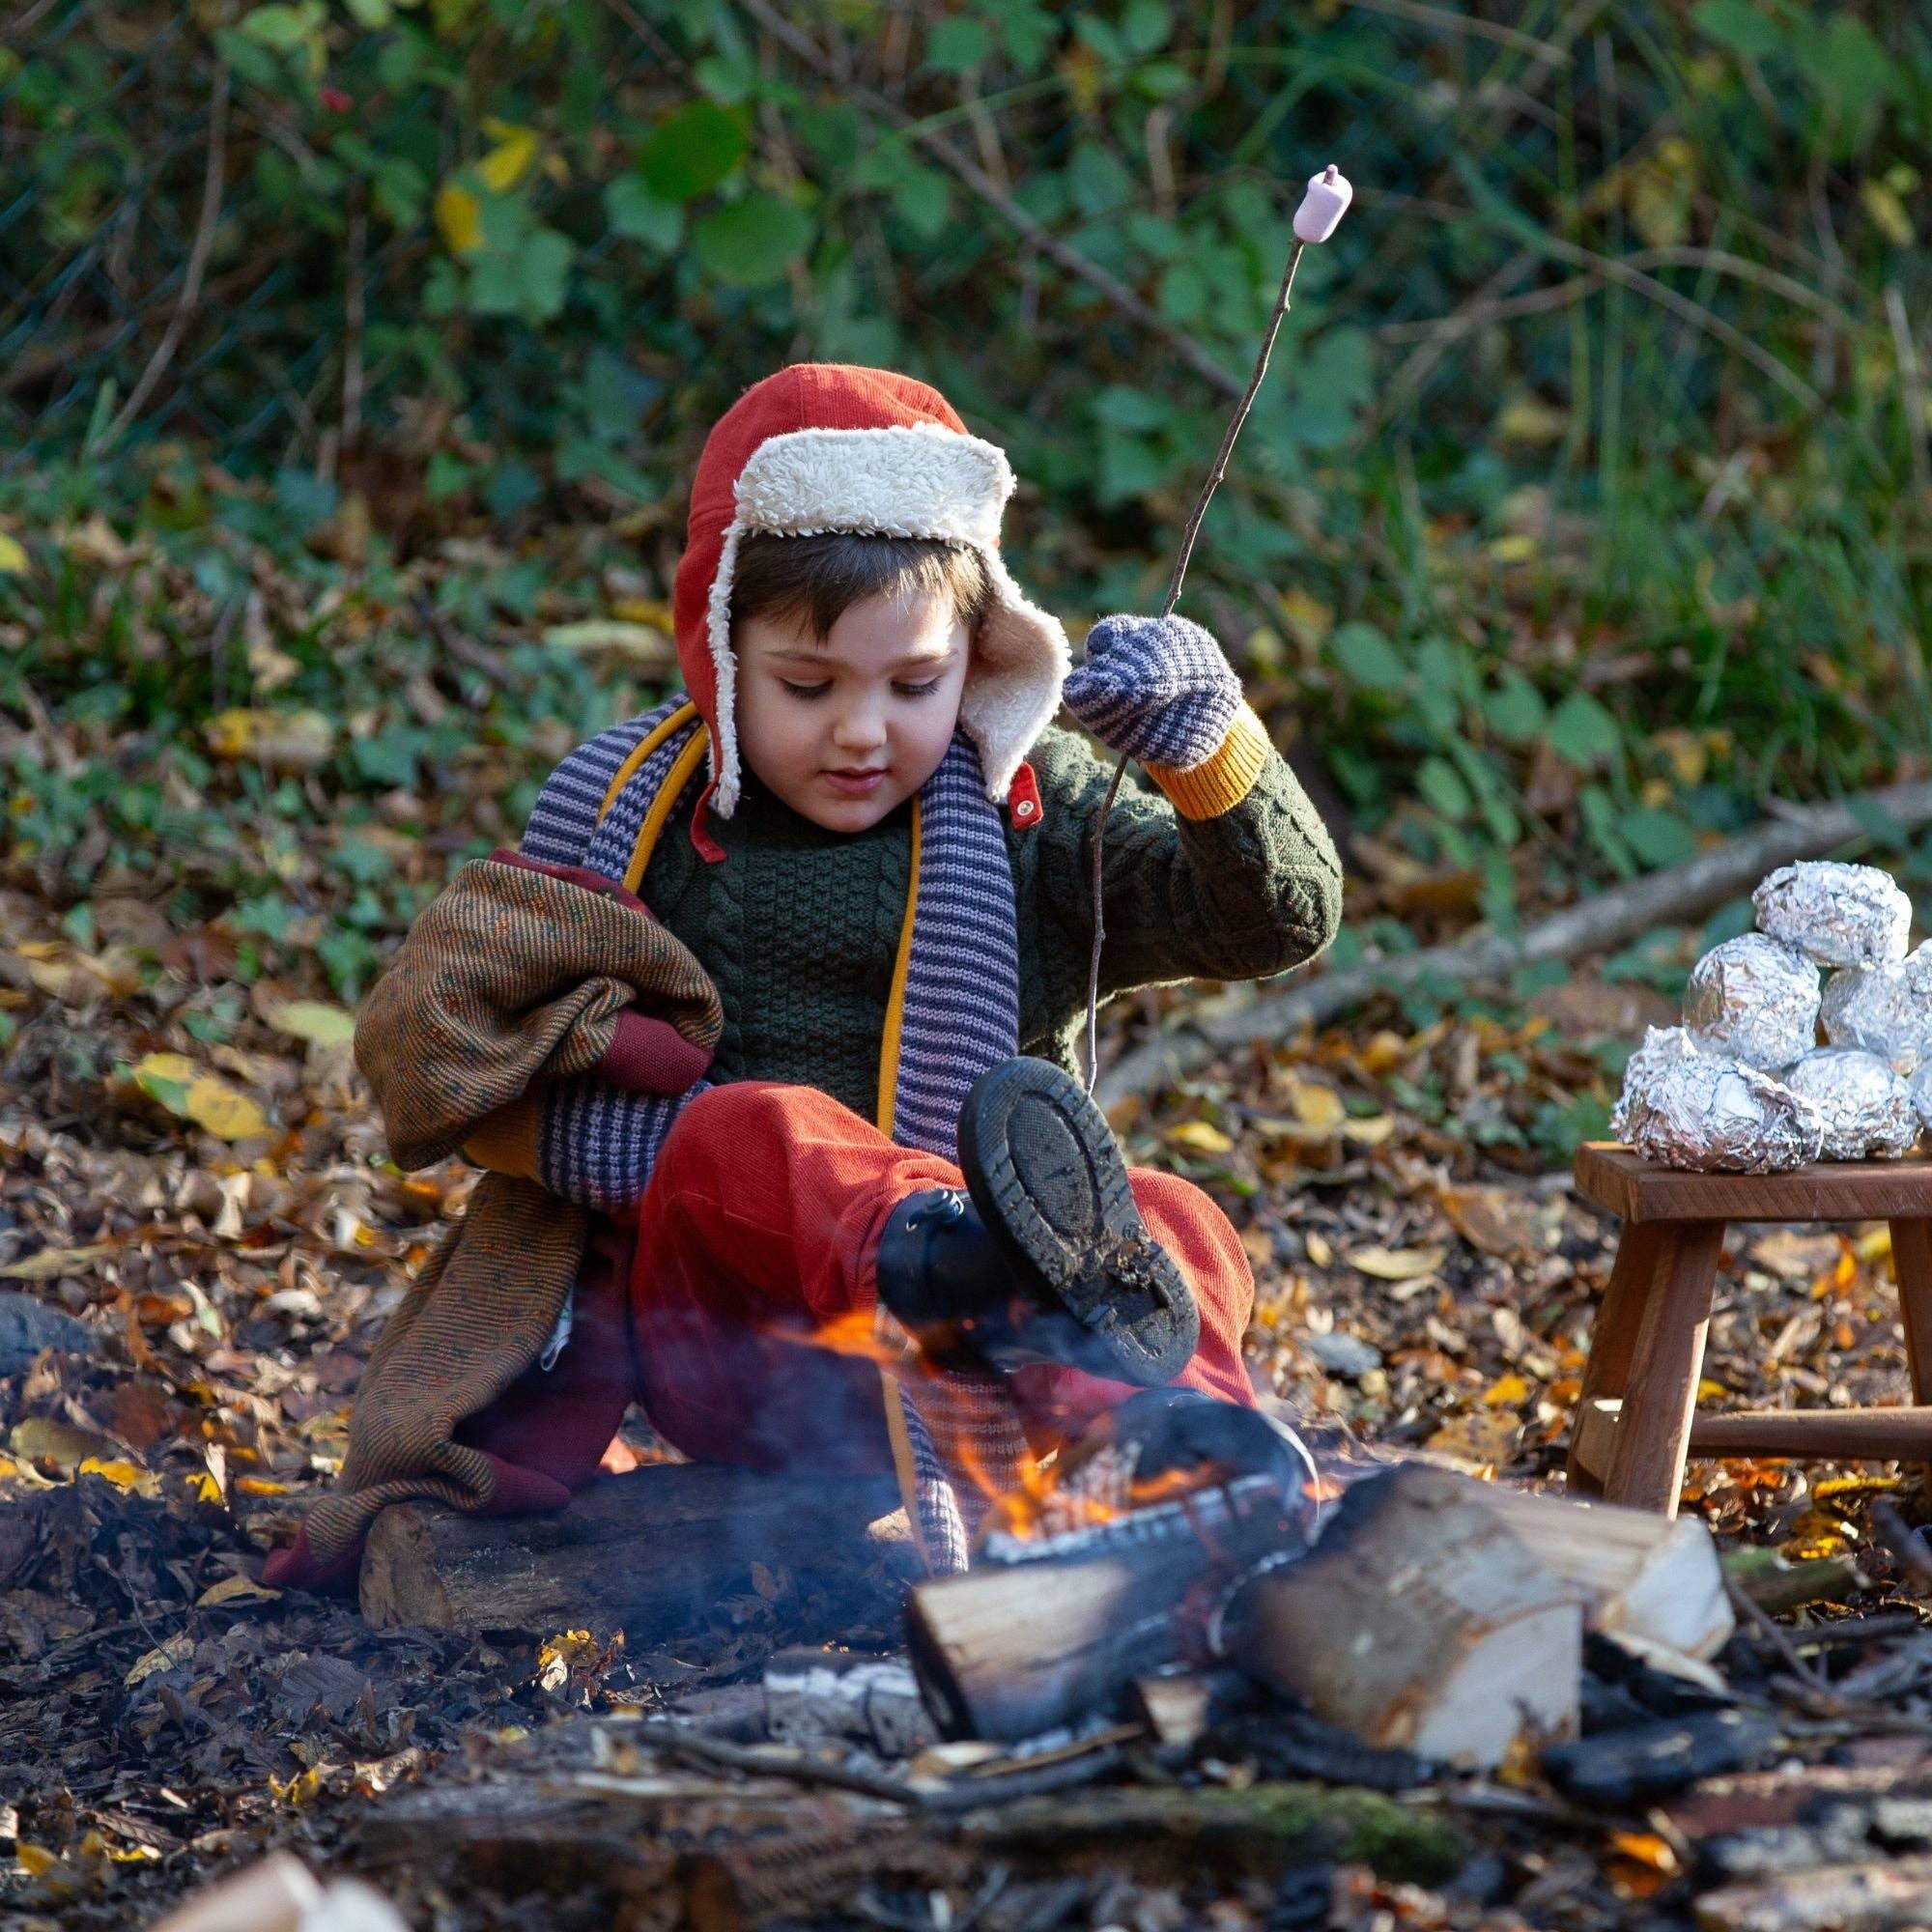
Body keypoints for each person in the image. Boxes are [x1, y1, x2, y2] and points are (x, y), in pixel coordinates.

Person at [271, 361, 1343, 1585]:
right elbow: (438, 1053)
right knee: (759, 1126)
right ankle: (930, 1241)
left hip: (999, 1348)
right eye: (806, 685)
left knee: (1163, 1216)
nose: (861, 731)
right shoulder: (633, 815)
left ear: (980, 659)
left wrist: (1207, 751)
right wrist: (642, 1144)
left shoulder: (1025, 810)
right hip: (745, 1341)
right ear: (720, 652)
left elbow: (1276, 919)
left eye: (913, 683)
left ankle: (1172, 1448)